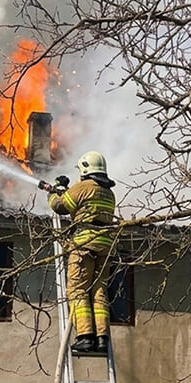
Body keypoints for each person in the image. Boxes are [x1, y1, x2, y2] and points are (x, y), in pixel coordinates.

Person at [48, 151, 117, 352]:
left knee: (77, 290)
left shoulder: (83, 187)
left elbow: (60, 206)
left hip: (84, 246)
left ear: (86, 168)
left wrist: (56, 190)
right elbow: (86, 205)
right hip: (104, 247)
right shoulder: (108, 193)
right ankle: (102, 338)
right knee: (99, 292)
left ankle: (85, 336)